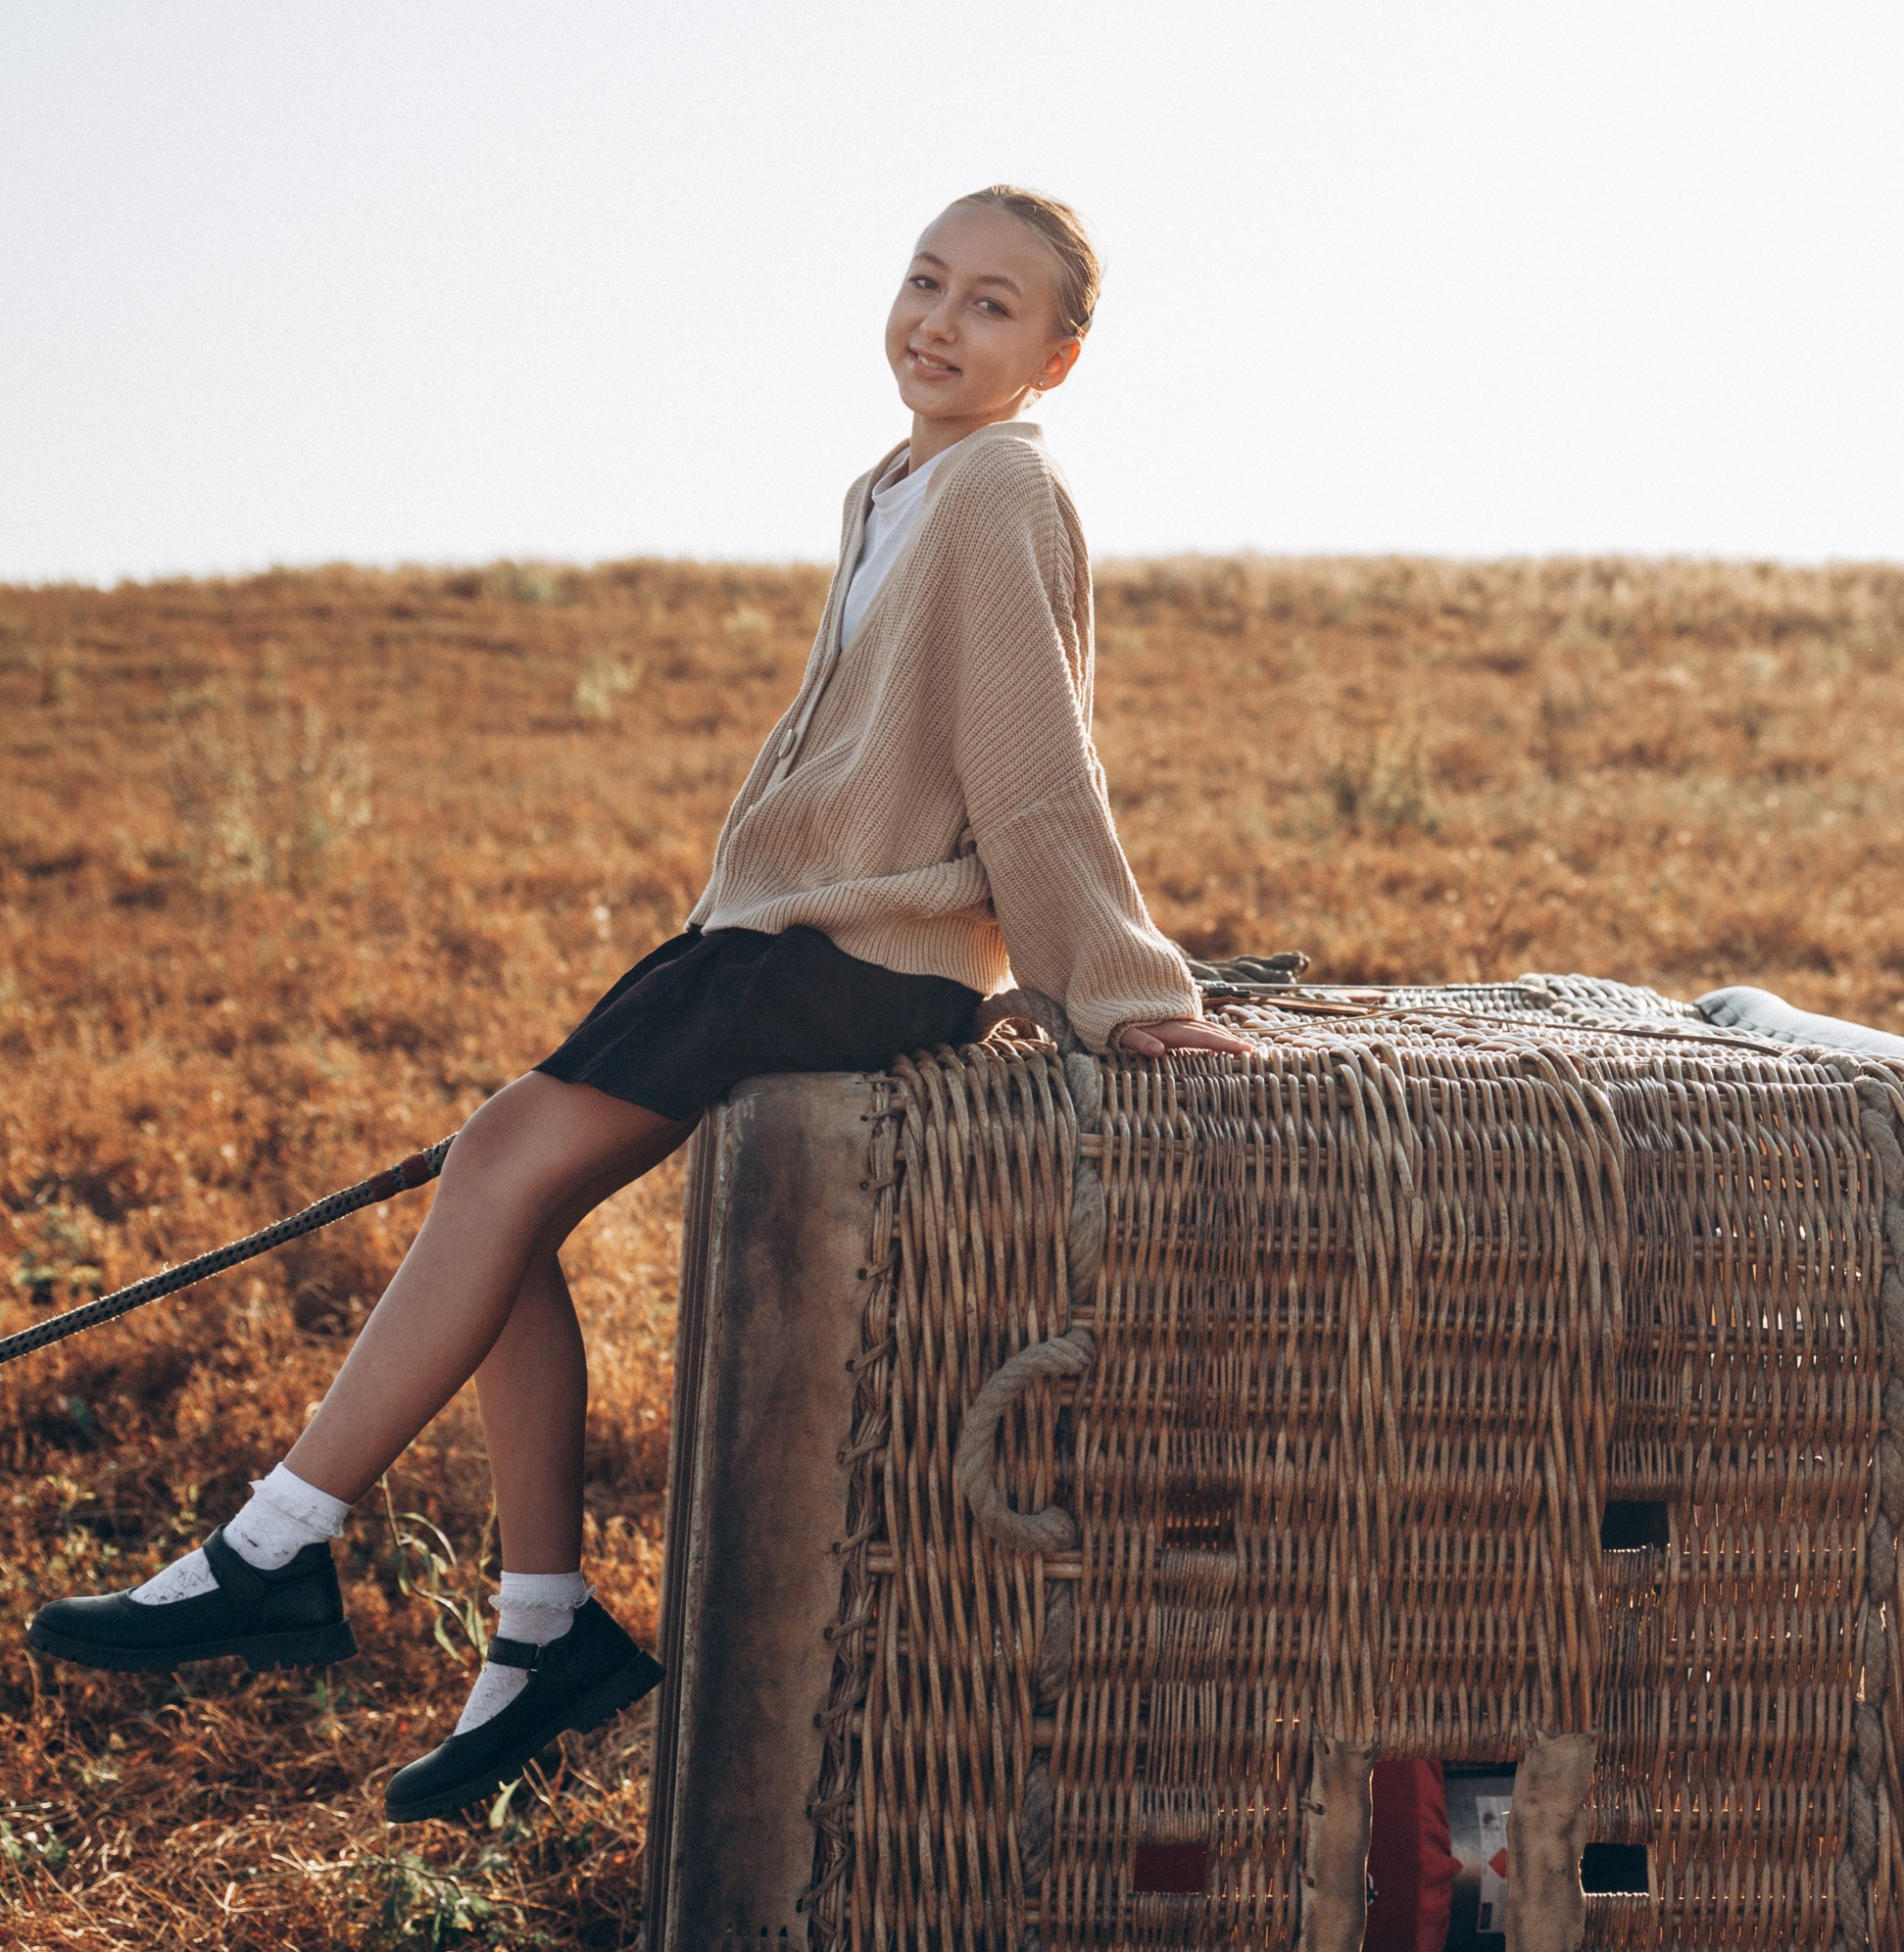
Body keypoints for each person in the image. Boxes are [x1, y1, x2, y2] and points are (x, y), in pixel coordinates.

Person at [28, 187, 1252, 1816]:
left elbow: (1033, 760)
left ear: (1060, 358)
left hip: (848, 962)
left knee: (503, 1164)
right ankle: (545, 1635)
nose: (941, 324)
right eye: (925, 281)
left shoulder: (1003, 488)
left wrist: (1113, 990)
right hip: (767, 940)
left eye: (994, 308)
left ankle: (277, 1549)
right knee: (499, 1183)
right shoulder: (894, 485)